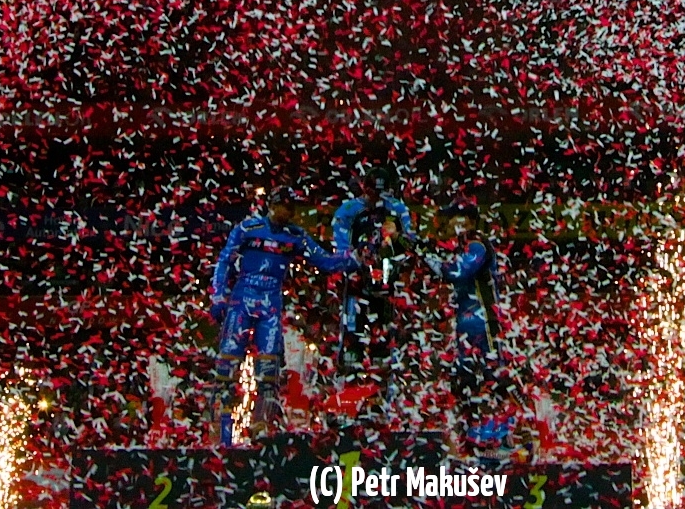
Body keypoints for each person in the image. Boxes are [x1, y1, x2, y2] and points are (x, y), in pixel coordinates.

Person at [210, 184, 354, 432]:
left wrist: (354, 258)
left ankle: (262, 429)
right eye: (284, 206)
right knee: (227, 367)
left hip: (271, 302)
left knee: (269, 371)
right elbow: (224, 261)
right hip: (242, 299)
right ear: (272, 205)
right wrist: (218, 296)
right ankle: (219, 431)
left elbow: (324, 261)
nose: (288, 212)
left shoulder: (296, 235)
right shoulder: (247, 229)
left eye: (291, 208)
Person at [424, 198, 513, 458]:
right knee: (466, 380)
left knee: (493, 376)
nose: (456, 224)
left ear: (472, 221)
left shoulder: (478, 244)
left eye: (461, 219)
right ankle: (474, 437)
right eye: (453, 219)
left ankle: (506, 435)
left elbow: (459, 271)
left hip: (485, 322)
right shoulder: (460, 246)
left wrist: (433, 261)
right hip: (466, 325)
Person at [331, 172, 416, 390]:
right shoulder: (348, 210)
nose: (377, 197)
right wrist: (356, 257)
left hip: (387, 281)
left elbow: (411, 244)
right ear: (364, 188)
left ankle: (382, 385)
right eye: (373, 192)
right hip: (357, 280)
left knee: (384, 335)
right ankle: (349, 380)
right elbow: (339, 245)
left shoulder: (397, 209)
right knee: (352, 333)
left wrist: (396, 238)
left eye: (382, 192)